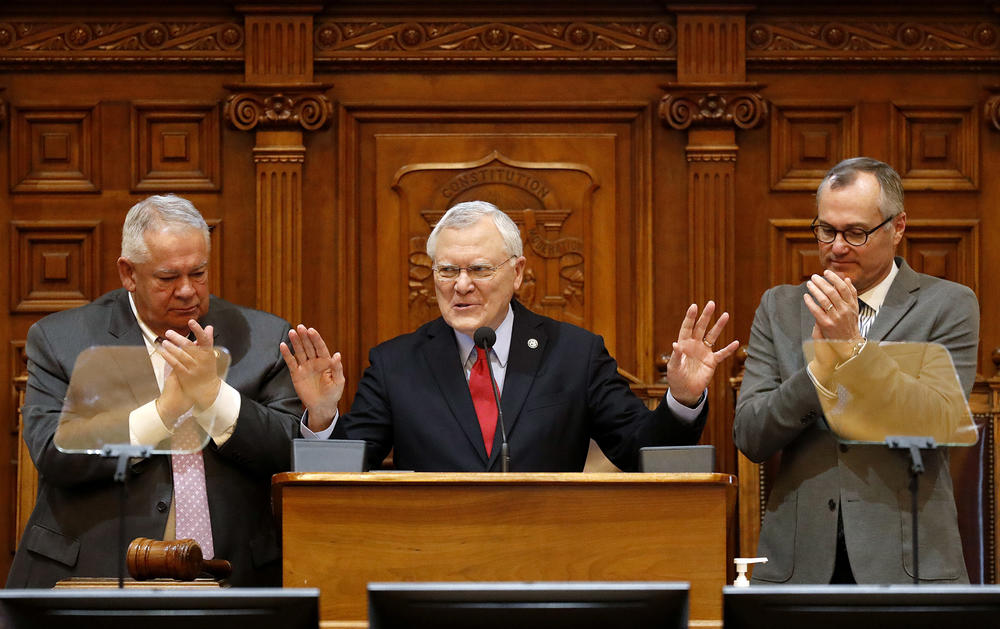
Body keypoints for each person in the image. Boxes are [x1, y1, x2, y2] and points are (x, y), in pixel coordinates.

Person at [284, 200, 739, 472]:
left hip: (548, 567)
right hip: (430, 567)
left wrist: (680, 400)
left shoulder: (575, 355)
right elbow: (350, 470)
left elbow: (639, 452)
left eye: (479, 269)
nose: (461, 285)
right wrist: (323, 418)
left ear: (517, 272)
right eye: (446, 270)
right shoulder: (395, 364)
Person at [8, 194, 304, 587]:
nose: (187, 291)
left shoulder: (264, 339)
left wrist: (214, 397)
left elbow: (290, 450)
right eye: (167, 278)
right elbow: (54, 451)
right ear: (128, 273)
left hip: (234, 575)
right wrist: (162, 413)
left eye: (198, 273)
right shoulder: (61, 340)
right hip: (90, 575)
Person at [734, 157, 980, 584]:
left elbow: (937, 421)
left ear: (897, 227)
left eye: (856, 233)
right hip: (800, 566)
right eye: (826, 230)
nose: (837, 247)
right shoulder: (780, 308)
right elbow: (752, 435)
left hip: (908, 566)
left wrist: (853, 351)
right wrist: (818, 373)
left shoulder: (949, 305)